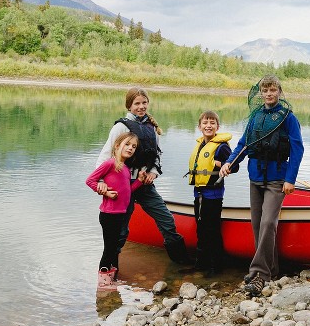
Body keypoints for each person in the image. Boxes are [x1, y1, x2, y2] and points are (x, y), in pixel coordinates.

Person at [219, 75, 304, 297]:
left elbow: (297, 149)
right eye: (265, 90)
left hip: (277, 179)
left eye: (273, 90)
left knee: (268, 223)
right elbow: (243, 144)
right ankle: (272, 269)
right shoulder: (255, 116)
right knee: (257, 225)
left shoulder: (288, 118)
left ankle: (259, 274)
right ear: (261, 93)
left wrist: (290, 179)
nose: (269, 94)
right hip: (255, 176)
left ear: (279, 92)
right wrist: (229, 162)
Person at [94, 87, 189, 264]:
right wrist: (100, 181)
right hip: (123, 185)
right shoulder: (121, 127)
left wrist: (153, 172)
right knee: (121, 231)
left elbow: (157, 155)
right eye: (137, 103)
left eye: (144, 103)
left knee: (166, 219)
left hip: (144, 184)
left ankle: (181, 264)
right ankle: (110, 269)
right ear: (129, 106)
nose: (141, 106)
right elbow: (106, 154)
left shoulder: (151, 127)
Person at [86, 132, 142, 290]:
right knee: (109, 248)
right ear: (117, 146)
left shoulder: (125, 168)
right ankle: (103, 283)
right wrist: (104, 191)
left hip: (119, 215)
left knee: (115, 247)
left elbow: (127, 191)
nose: (130, 148)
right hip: (109, 214)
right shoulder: (110, 164)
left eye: (134, 147)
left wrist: (139, 181)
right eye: (127, 144)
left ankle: (112, 279)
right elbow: (90, 180)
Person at [187, 110, 233, 276]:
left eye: (212, 123)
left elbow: (234, 166)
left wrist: (220, 164)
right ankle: (200, 264)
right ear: (200, 127)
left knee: (212, 230)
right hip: (198, 194)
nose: (208, 125)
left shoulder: (221, 147)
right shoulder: (200, 145)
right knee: (201, 229)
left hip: (213, 196)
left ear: (217, 127)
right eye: (205, 123)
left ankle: (216, 267)